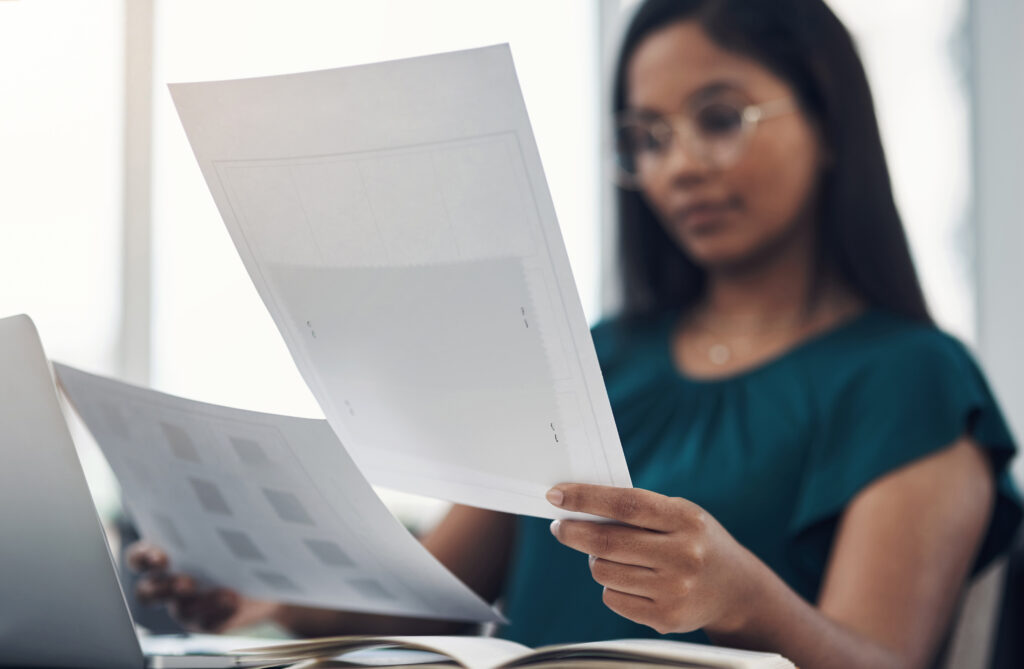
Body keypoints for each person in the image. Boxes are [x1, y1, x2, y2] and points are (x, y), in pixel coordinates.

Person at [129, 1, 1022, 667]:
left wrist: (743, 596)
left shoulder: (914, 379)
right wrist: (261, 595)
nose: (679, 167)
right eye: (649, 136)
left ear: (829, 121)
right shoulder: (595, 353)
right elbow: (437, 596)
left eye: (719, 118)